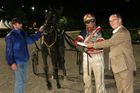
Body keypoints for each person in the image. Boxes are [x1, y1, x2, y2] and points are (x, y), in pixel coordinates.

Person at [86, 13, 136, 93]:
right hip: (119, 67)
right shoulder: (116, 33)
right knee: (121, 90)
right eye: (110, 21)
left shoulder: (122, 32)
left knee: (127, 90)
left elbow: (109, 42)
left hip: (125, 67)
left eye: (114, 20)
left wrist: (92, 45)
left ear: (120, 20)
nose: (111, 22)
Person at [5, 18, 44, 93]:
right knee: (19, 82)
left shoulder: (22, 33)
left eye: (21, 23)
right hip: (17, 63)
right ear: (14, 25)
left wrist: (39, 32)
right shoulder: (10, 36)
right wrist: (12, 63)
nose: (21, 25)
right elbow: (8, 51)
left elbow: (31, 40)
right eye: (19, 23)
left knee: (24, 81)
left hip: (25, 61)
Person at [74, 13, 106, 93]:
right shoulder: (83, 31)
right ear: (85, 22)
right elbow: (77, 41)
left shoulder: (99, 30)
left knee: (99, 80)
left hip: (97, 57)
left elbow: (101, 44)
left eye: (92, 20)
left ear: (95, 21)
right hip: (86, 58)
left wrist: (89, 46)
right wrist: (79, 43)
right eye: (88, 21)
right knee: (86, 80)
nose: (91, 23)